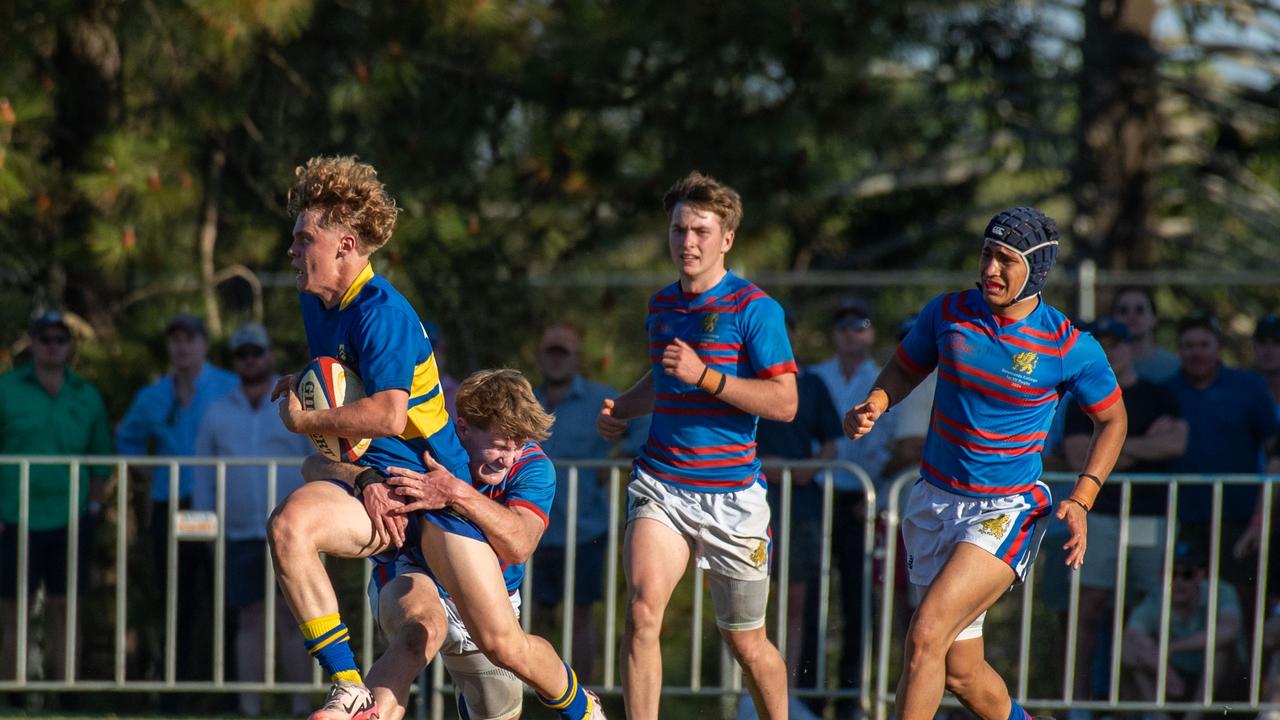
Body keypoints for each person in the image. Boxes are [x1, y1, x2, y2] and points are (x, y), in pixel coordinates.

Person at [267, 155, 602, 720]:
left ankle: (584, 711)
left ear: (346, 245)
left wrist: (306, 422)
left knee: (502, 644)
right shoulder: (315, 302)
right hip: (383, 488)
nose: (294, 251)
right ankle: (349, 686)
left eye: (304, 239)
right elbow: (343, 391)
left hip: (435, 492)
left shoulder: (383, 312)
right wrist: (350, 450)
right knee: (289, 524)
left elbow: (391, 415)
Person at [843, 206, 1127, 720]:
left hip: (1005, 508)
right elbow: (904, 367)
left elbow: (1113, 421)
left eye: (1005, 260)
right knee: (960, 672)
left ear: (1036, 272)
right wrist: (877, 402)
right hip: (933, 500)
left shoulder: (1068, 345)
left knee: (925, 634)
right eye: (986, 255)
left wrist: (1083, 498)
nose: (990, 270)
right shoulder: (948, 312)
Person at [597, 171, 798, 720]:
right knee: (641, 614)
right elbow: (665, 377)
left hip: (733, 497)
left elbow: (785, 402)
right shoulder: (662, 304)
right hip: (661, 485)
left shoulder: (757, 309)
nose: (688, 242)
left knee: (745, 642)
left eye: (701, 231)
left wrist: (708, 376)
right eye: (679, 229)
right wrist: (624, 407)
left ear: (726, 239)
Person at [304, 368, 562, 720]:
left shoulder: (533, 467)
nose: (509, 458)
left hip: (491, 598)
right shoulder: (423, 440)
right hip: (411, 572)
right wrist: (362, 477)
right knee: (418, 634)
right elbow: (316, 463)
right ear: (464, 427)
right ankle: (360, 710)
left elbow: (519, 544)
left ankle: (581, 705)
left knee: (503, 695)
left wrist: (457, 493)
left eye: (518, 446)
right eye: (500, 445)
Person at [1060, 316, 1186, 711]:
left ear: (1132, 347)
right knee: (1089, 607)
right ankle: (1078, 704)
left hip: (1149, 515)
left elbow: (1176, 444)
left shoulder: (1159, 394)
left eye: (1118, 342)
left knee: (1145, 611)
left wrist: (1112, 445)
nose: (1111, 350)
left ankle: (1143, 706)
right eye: (1104, 343)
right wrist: (1143, 443)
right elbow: (1077, 453)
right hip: (1097, 517)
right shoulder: (1080, 397)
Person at [191, 323, 313, 716]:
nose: (249, 360)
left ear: (268, 355)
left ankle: (301, 705)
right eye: (242, 354)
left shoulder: (294, 404)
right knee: (248, 619)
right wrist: (209, 526)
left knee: (296, 617)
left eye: (255, 353)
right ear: (235, 360)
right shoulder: (216, 412)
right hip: (240, 530)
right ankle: (249, 707)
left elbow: (318, 458)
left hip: (294, 530)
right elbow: (202, 474)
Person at [115, 313, 238, 700]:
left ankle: (230, 692)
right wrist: (148, 473)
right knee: (176, 598)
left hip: (218, 503)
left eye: (190, 338)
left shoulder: (227, 386)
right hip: (171, 504)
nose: (182, 347)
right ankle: (176, 690)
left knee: (224, 599)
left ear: (204, 343)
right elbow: (127, 438)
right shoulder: (152, 396)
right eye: (175, 339)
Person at [0, 310, 111, 684]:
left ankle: (67, 692)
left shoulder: (87, 395)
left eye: (59, 340)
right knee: (16, 606)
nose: (51, 346)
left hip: (71, 515)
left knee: (66, 606)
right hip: (13, 514)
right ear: (32, 343)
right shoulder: (6, 389)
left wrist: (93, 510)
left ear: (69, 347)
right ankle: (13, 693)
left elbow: (101, 461)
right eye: (44, 339)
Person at [532, 323, 648, 683]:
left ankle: (584, 696)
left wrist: (621, 457)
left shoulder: (604, 399)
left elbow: (645, 421)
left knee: (581, 615)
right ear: (540, 356)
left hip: (584, 527)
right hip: (530, 526)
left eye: (562, 351)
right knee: (525, 615)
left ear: (576, 358)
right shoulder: (525, 400)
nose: (555, 358)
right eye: (550, 351)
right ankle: (531, 695)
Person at [809, 294, 898, 707]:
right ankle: (806, 695)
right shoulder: (815, 376)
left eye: (859, 325)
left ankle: (850, 698)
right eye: (843, 326)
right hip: (817, 498)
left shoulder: (886, 378)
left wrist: (875, 496)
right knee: (810, 596)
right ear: (834, 334)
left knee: (857, 601)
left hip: (862, 503)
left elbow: (891, 448)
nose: (851, 334)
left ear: (871, 332)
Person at [754, 306, 841, 716]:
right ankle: (747, 695)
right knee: (748, 603)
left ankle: (785, 696)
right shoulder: (742, 382)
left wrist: (804, 470)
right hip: (749, 502)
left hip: (801, 507)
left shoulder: (814, 384)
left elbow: (830, 445)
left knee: (795, 600)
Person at [1166, 311, 1276, 626]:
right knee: (1186, 607)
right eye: (1188, 345)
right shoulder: (1166, 390)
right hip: (1183, 519)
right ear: (1179, 349)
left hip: (1239, 521)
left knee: (1246, 603)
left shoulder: (1249, 387)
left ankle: (1246, 674)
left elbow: (1273, 452)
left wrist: (1259, 520)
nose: (1196, 352)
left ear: (1218, 347)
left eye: (1204, 344)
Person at [1123, 541, 1244, 705]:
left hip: (1223, 682)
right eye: (1172, 574)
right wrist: (1165, 671)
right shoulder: (1154, 599)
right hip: (1174, 677)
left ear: (1200, 575)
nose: (1178, 582)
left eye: (1187, 574)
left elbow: (1230, 630)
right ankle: (1158, 716)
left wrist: (1173, 647)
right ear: (1161, 576)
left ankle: (1194, 716)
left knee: (1222, 650)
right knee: (1131, 651)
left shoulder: (1221, 591)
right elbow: (1131, 637)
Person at [1111, 286, 1179, 384]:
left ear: (1154, 318)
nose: (1131, 316)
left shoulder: (1174, 368)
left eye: (1140, 310)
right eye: (1123, 311)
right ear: (1113, 319)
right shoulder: (1102, 369)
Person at [1253, 315, 1280, 420]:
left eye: (1277, 342)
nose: (1269, 350)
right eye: (1262, 342)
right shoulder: (1241, 393)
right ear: (1254, 346)